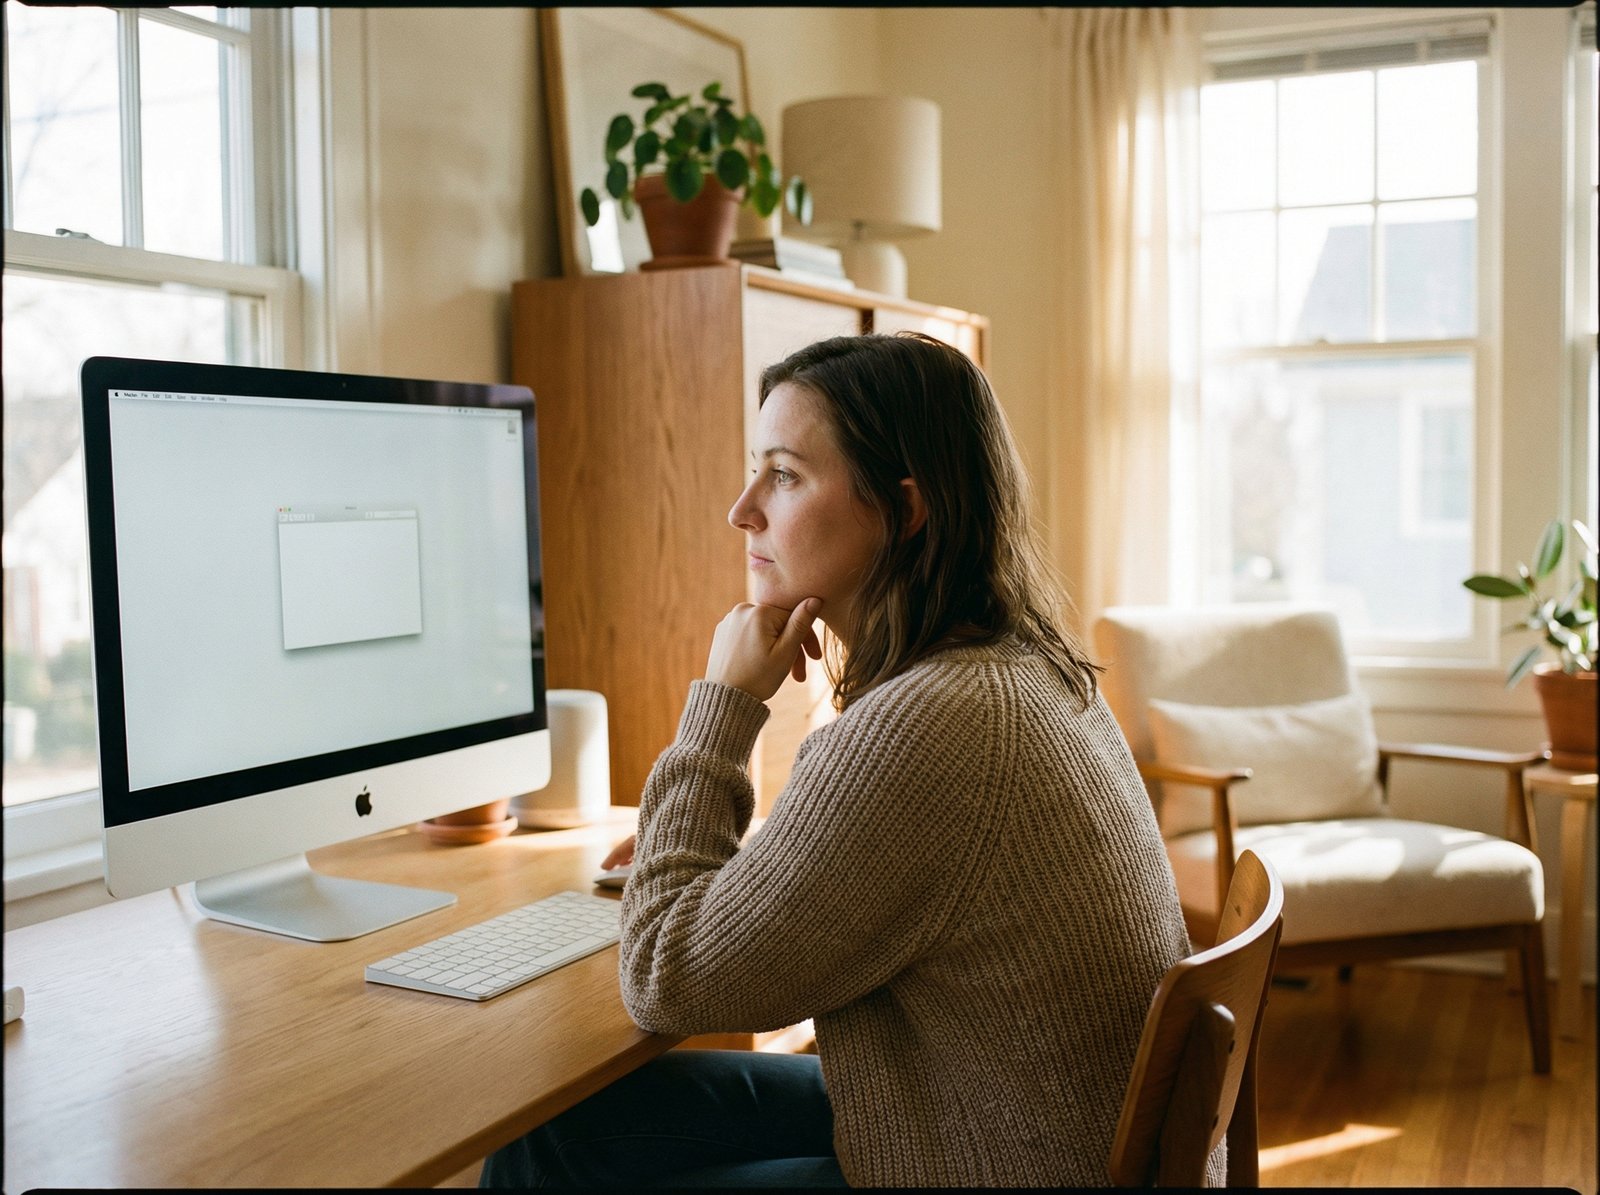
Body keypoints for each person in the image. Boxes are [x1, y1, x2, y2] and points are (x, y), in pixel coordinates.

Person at [481, 332, 1202, 1188]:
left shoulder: (929, 725)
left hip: (992, 1154)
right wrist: (748, 876)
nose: (741, 508)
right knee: (558, 1132)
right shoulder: (1023, 667)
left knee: (540, 1161)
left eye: (783, 474)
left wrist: (725, 704)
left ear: (904, 508)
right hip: (1016, 1120)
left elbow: (662, 976)